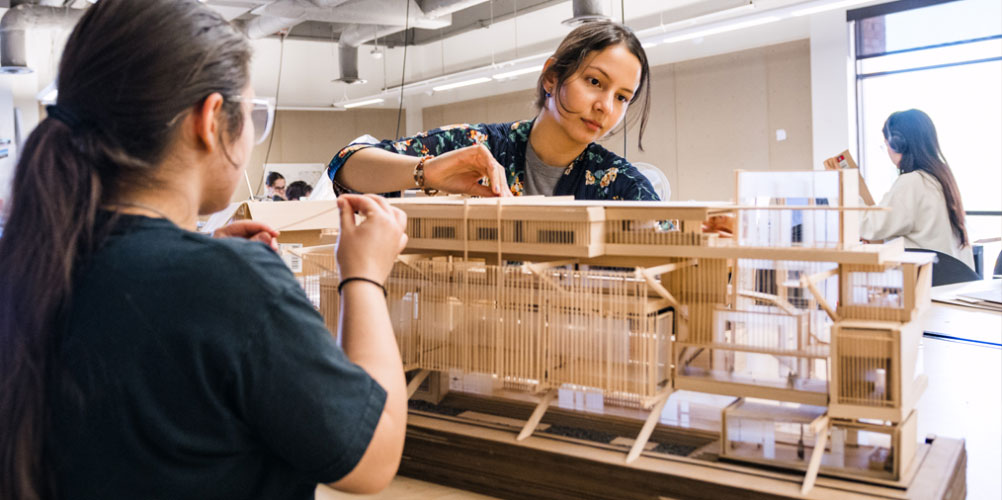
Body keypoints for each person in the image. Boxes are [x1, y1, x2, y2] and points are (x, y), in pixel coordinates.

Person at [0, 1, 407, 499]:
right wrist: (363, 276)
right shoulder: (232, 284)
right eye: (251, 115)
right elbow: (373, 456)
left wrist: (203, 262)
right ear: (211, 119)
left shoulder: (28, 262)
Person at [329, 21, 659, 201]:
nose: (605, 106)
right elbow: (345, 165)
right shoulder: (480, 146)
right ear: (551, 75)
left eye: (622, 98)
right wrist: (428, 172)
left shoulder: (622, 185)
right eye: (594, 81)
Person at [860, 109, 974, 269]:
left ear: (897, 144)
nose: (887, 151)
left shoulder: (912, 182)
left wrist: (848, 191)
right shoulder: (941, 178)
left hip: (926, 284)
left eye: (886, 144)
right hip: (952, 283)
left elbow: (870, 226)